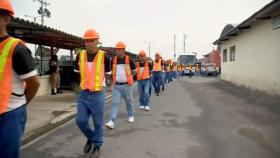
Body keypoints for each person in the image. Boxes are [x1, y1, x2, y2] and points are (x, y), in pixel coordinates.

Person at [0, 1, 40, 157]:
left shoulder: (17, 49)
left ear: (7, 19)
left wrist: (20, 105)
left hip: (10, 115)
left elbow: (34, 84)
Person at [74, 28, 112, 157]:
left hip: (98, 93)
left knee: (98, 122)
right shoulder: (80, 55)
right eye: (86, 41)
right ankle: (91, 137)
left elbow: (107, 75)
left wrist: (105, 87)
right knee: (80, 121)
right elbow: (78, 74)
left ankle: (97, 145)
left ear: (97, 42)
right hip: (84, 93)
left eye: (91, 41)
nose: (88, 43)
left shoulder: (105, 57)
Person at [106, 41, 136, 129]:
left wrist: (129, 78)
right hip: (116, 86)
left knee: (129, 101)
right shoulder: (113, 60)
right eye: (116, 49)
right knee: (114, 103)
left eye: (119, 49)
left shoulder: (129, 59)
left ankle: (131, 115)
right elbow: (112, 72)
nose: (117, 51)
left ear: (123, 50)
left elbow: (134, 71)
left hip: (127, 85)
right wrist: (112, 83)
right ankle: (111, 121)